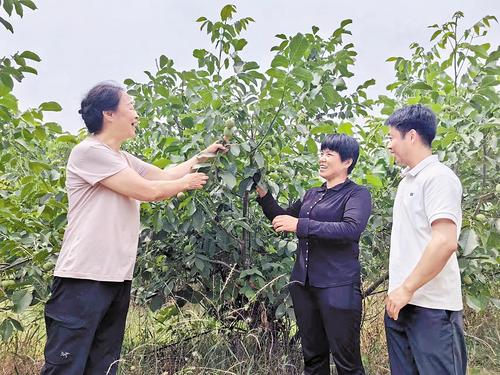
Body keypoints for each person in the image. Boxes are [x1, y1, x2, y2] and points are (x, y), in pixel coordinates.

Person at [41, 82, 226, 375]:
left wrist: (204, 155)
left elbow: (165, 174)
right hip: (83, 277)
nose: (136, 114)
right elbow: (148, 190)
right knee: (67, 365)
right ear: (109, 114)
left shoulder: (121, 158)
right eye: (131, 107)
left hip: (116, 277)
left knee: (103, 364)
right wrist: (184, 184)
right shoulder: (89, 151)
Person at [255, 134, 371, 375]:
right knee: (313, 357)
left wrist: (300, 225)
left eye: (329, 154)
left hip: (338, 287)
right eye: (321, 153)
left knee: (346, 360)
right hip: (305, 286)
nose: (322, 158)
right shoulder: (311, 195)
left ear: (347, 161)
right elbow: (282, 217)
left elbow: (351, 229)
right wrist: (263, 194)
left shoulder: (356, 194)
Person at [384, 104, 467, 374]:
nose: (389, 145)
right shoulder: (408, 181)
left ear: (411, 136)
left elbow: (445, 242)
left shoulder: (439, 178)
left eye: (391, 137)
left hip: (431, 309)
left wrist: (407, 288)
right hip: (402, 305)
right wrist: (400, 293)